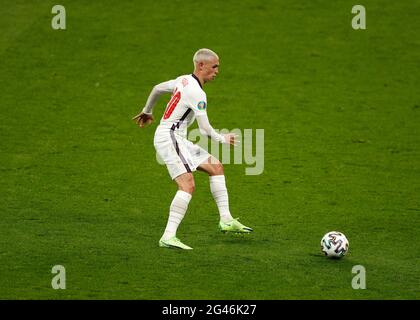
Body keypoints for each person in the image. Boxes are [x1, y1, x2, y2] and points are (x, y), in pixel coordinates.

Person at [132, 48, 253, 250]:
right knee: (187, 185)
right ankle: (168, 237)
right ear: (201, 65)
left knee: (216, 166)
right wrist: (222, 138)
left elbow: (157, 88)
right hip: (169, 138)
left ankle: (226, 219)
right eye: (214, 67)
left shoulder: (183, 80)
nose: (217, 71)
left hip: (176, 136)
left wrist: (147, 111)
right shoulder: (197, 93)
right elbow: (205, 129)